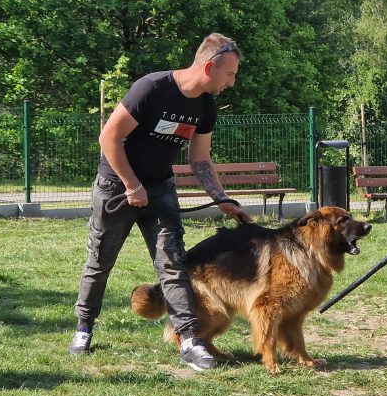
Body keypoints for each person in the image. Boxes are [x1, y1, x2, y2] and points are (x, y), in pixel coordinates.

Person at [69, 34, 252, 371]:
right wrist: (131, 185)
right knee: (100, 262)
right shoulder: (152, 88)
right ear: (209, 67)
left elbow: (200, 157)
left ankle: (191, 342)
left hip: (160, 189)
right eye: (229, 74)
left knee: (173, 264)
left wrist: (221, 198)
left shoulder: (205, 106)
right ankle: (84, 328)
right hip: (116, 187)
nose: (231, 82)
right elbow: (109, 137)